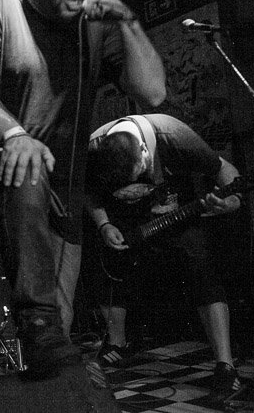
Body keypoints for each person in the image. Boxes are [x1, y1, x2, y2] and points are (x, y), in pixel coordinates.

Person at [0, 0, 166, 379]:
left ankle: (49, 359)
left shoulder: (93, 27)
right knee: (28, 169)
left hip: (64, 186)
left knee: (55, 340)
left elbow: (153, 92)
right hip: (3, 165)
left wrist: (127, 20)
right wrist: (14, 134)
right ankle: (36, 319)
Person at [85, 113, 245, 403]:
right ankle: (117, 343)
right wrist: (104, 224)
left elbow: (223, 168)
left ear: (145, 150)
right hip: (128, 223)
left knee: (201, 264)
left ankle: (226, 365)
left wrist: (232, 201)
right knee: (106, 261)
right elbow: (89, 192)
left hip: (176, 214)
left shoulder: (175, 136)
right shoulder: (94, 148)